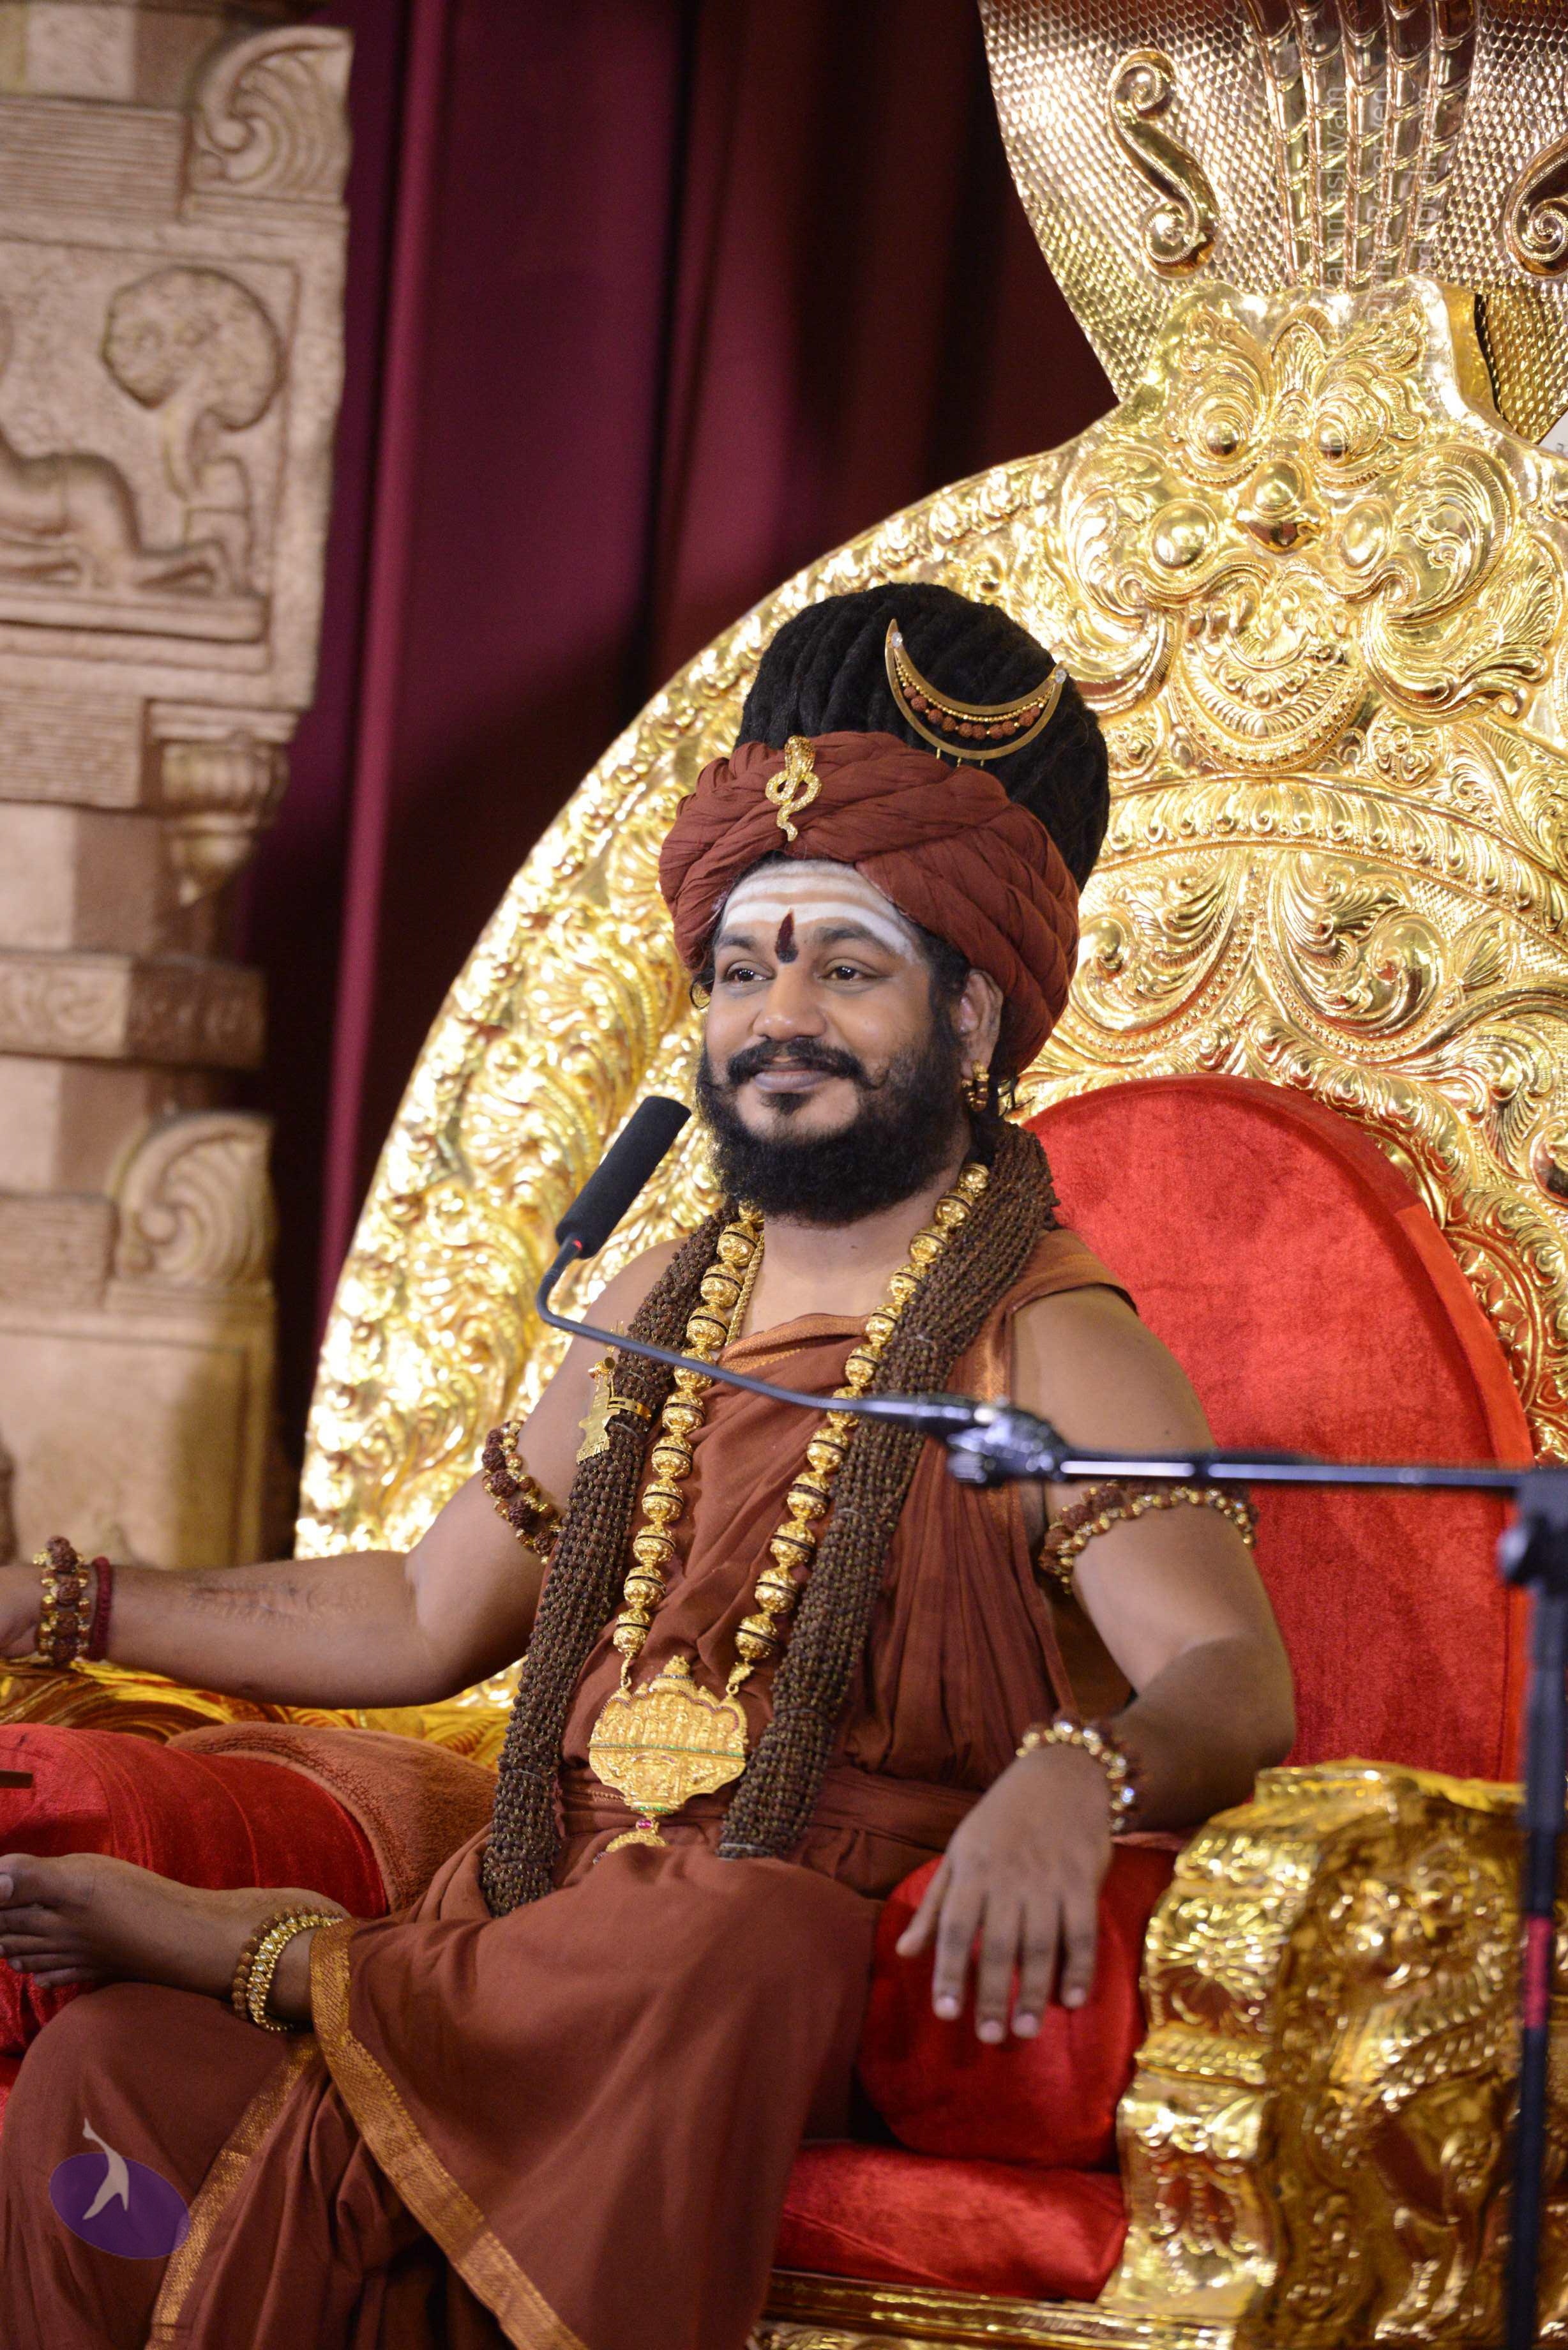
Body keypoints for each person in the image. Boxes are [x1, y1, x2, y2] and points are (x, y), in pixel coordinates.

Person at [0, 584, 1293, 2350]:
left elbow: (1228, 1673)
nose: (779, 1018)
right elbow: (418, 1613)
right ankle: (341, 2000)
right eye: (744, 969)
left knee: (734, 1932)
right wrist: (63, 1602)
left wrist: (1081, 1777)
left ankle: (293, 1960)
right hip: (539, 1929)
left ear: (974, 1016)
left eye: (847, 970)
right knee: (108, 2090)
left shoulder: (1050, 1343)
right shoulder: (653, 1311)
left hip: (767, 1961)